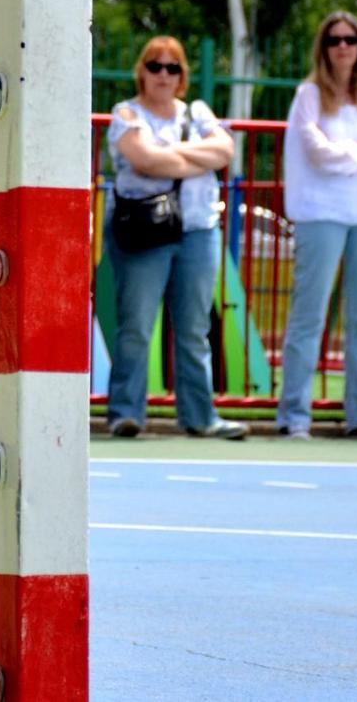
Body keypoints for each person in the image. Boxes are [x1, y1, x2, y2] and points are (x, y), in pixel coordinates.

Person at [103, 38, 244, 441]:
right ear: (141, 71)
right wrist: (195, 157)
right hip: (144, 230)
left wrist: (171, 154)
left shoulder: (197, 111)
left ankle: (201, 416)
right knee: (137, 327)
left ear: (182, 75)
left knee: (194, 327)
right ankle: (125, 413)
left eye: (172, 68)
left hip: (198, 229)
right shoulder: (126, 113)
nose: (163, 75)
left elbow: (225, 149)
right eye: (155, 66)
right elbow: (144, 159)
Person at [276, 12, 357, 442]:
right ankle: (294, 415)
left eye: (351, 39)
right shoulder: (308, 95)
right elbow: (315, 153)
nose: (343, 46)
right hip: (320, 213)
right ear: (324, 48)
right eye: (334, 40)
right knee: (309, 315)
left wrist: (347, 155)